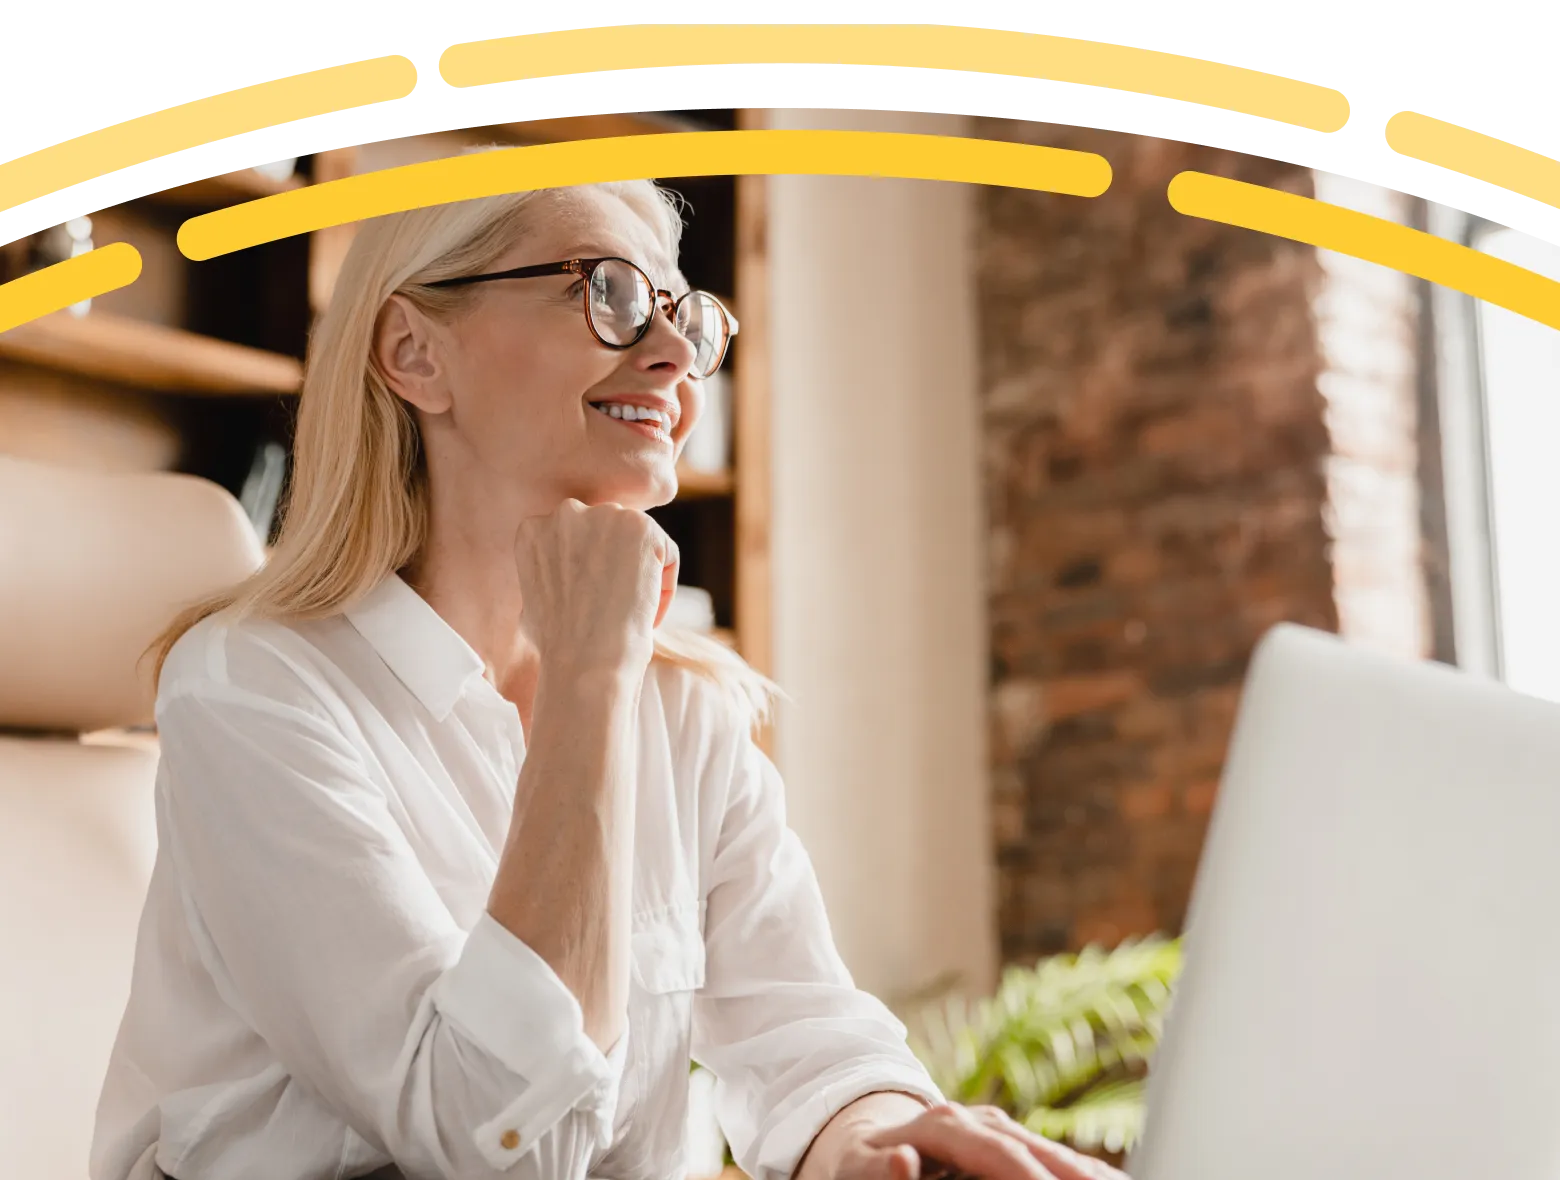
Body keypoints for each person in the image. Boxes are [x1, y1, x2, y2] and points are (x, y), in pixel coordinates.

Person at [89, 171, 1131, 1180]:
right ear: (415, 353)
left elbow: (808, 1032)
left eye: (687, 313)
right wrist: (588, 679)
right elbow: (498, 1139)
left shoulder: (688, 707)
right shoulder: (255, 691)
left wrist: (875, 1135)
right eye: (610, 293)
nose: (678, 353)